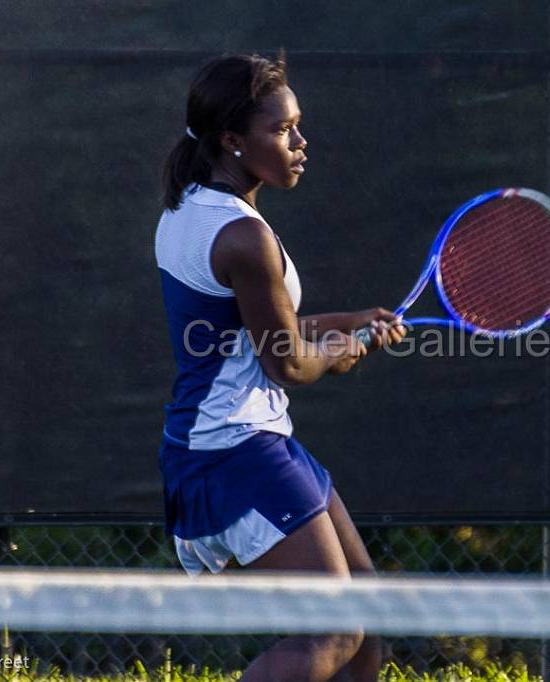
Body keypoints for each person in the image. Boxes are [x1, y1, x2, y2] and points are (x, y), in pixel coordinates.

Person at [155, 52, 404, 682]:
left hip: (257, 439)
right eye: (283, 130)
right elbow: (289, 363)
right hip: (228, 451)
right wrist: (345, 353)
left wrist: (346, 322)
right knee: (334, 630)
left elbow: (248, 334)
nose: (300, 142)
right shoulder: (243, 236)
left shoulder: (188, 208)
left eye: (298, 124)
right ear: (233, 141)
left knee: (368, 621)